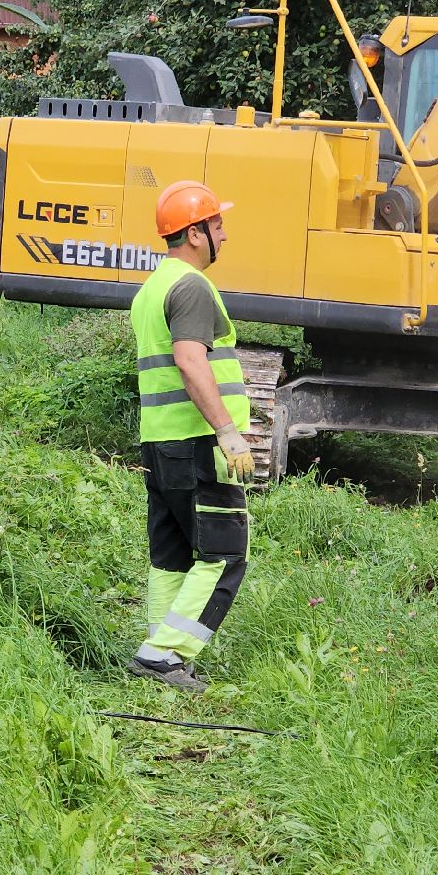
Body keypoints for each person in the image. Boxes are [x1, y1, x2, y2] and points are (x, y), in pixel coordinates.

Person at [126, 180, 255, 693]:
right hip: (199, 442)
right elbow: (189, 359)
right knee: (224, 554)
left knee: (173, 554)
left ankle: (160, 650)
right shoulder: (193, 286)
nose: (225, 232)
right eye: (218, 224)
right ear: (196, 234)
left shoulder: (152, 287)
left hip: (161, 441)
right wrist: (228, 431)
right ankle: (163, 656)